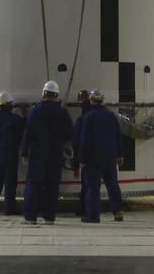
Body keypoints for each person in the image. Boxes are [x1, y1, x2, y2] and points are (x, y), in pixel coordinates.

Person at [20, 80, 72, 225]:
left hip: (37, 154)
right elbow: (69, 133)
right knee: (52, 185)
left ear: (43, 93)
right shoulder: (62, 112)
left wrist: (24, 152)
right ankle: (49, 217)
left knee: (34, 184)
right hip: (55, 155)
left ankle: (30, 217)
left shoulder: (35, 111)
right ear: (57, 95)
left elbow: (28, 133)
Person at [78, 90, 124, 223]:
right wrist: (120, 154)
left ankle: (93, 215)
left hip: (93, 158)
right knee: (113, 185)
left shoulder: (88, 117)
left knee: (93, 187)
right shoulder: (110, 115)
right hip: (110, 157)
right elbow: (117, 135)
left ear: (91, 100)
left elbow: (85, 140)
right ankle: (118, 212)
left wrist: (82, 159)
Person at [0, 92, 25, 215]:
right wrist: (23, 115)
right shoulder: (15, 119)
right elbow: (22, 131)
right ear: (9, 105)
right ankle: (9, 209)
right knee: (10, 183)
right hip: (10, 154)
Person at [70, 88, 93, 217]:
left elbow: (76, 142)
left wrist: (76, 163)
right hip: (103, 156)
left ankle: (86, 210)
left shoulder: (81, 120)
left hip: (86, 157)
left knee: (88, 185)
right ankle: (117, 210)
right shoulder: (107, 115)